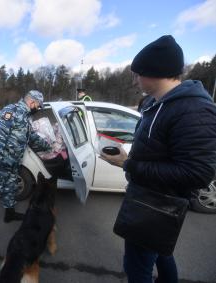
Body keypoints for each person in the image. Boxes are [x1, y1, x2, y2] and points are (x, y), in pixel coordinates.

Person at [101, 35, 216, 282]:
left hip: (159, 206)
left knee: (137, 268)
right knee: (162, 254)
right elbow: (158, 148)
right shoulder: (156, 103)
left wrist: (128, 164)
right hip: (148, 199)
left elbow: (198, 173)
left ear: (155, 72)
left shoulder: (193, 109)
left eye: (137, 73)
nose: (134, 80)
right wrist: (128, 158)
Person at [0, 90, 52, 242]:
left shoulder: (26, 116)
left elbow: (31, 137)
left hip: (14, 162)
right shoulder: (11, 111)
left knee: (11, 188)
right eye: (38, 105)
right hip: (2, 161)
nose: (38, 107)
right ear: (32, 102)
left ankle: (9, 214)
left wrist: (48, 146)